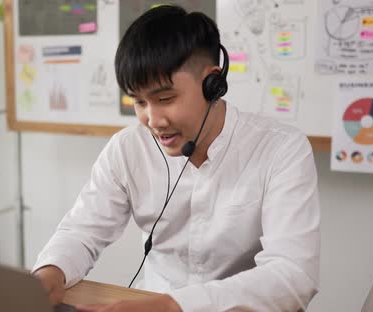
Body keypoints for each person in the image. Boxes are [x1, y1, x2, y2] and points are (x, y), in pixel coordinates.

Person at [32, 5, 320, 312]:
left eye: (165, 99)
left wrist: (174, 306)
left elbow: (293, 275)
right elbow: (82, 231)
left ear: (212, 84)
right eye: (139, 101)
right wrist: (52, 270)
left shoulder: (281, 149)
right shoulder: (128, 148)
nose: (152, 119)